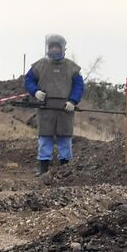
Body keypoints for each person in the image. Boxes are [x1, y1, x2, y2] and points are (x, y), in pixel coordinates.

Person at [23, 34, 85, 175]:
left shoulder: (72, 67)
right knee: (45, 138)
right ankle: (43, 169)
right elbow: (28, 80)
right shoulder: (40, 65)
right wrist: (35, 91)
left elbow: (79, 85)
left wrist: (73, 101)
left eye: (57, 47)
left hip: (65, 109)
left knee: (65, 139)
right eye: (52, 47)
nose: (55, 49)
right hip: (45, 108)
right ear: (48, 48)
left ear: (63, 48)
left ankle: (65, 170)